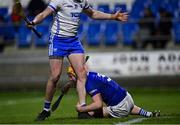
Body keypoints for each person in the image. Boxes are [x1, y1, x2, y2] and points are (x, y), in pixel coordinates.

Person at [27, 0, 128, 121]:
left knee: (82, 74)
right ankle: (46, 110)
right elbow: (44, 14)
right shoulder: (59, 1)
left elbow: (93, 14)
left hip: (73, 41)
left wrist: (113, 16)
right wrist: (34, 22)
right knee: (55, 76)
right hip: (57, 40)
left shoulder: (82, 2)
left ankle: (82, 109)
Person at [65, 65, 160, 119]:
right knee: (121, 104)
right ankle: (148, 114)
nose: (69, 78)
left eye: (70, 76)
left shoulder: (90, 83)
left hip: (120, 107)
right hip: (128, 99)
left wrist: (81, 109)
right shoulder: (91, 75)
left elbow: (98, 104)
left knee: (84, 115)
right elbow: (81, 86)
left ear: (77, 74)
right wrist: (70, 85)